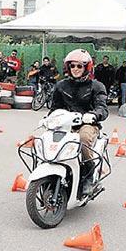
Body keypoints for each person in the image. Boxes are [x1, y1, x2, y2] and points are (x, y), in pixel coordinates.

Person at [49, 49, 108, 195]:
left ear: (86, 67)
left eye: (79, 66)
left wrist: (94, 115)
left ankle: (89, 173)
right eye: (72, 66)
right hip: (66, 124)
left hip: (87, 124)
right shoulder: (61, 86)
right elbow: (55, 108)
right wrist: (48, 119)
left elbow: (102, 108)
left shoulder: (96, 86)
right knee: (45, 139)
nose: (75, 69)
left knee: (82, 139)